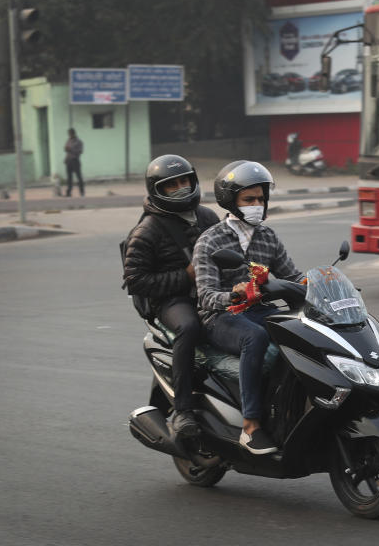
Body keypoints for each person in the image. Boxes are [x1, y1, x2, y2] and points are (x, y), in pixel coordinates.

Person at [193, 161, 303, 455]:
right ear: (232, 202)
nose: (258, 205)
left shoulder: (268, 237)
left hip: (258, 310)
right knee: (254, 337)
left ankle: (287, 410)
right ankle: (251, 426)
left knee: (299, 331)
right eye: (249, 200)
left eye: (261, 199)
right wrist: (232, 294)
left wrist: (322, 284)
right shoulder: (211, 240)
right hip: (221, 317)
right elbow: (205, 296)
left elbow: (292, 275)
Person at [122, 155, 220, 436]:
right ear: (157, 190)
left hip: (210, 292)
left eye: (184, 181)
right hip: (172, 301)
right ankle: (183, 409)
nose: (180, 188)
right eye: (171, 185)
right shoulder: (147, 230)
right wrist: (185, 276)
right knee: (189, 328)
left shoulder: (207, 216)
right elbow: (135, 280)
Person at [64, 128, 84, 197]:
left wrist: (71, 149)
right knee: (69, 178)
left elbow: (80, 151)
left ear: (73, 133)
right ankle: (68, 192)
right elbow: (67, 150)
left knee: (79, 177)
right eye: (69, 133)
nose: (70, 135)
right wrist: (66, 158)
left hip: (75, 160)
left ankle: (82, 192)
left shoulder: (78, 142)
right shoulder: (68, 140)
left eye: (70, 133)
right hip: (69, 161)